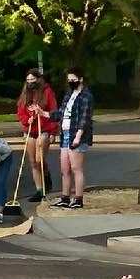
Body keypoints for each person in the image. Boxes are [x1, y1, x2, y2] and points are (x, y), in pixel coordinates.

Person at [53, 68, 93, 209]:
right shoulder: (69, 95)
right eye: (69, 80)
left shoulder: (86, 96)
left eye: (73, 80)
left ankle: (78, 198)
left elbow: (84, 118)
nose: (70, 82)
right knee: (65, 168)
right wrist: (43, 113)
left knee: (76, 168)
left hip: (76, 136)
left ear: (80, 79)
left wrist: (78, 136)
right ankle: (65, 197)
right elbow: (60, 113)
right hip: (65, 134)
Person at [16, 70, 58, 201]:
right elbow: (20, 111)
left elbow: (53, 111)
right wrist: (25, 120)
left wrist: (53, 131)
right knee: (33, 162)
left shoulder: (47, 92)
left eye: (32, 80)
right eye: (28, 81)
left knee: (39, 159)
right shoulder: (25, 94)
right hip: (30, 130)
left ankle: (46, 175)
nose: (30, 83)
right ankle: (39, 190)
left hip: (43, 129)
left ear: (38, 80)